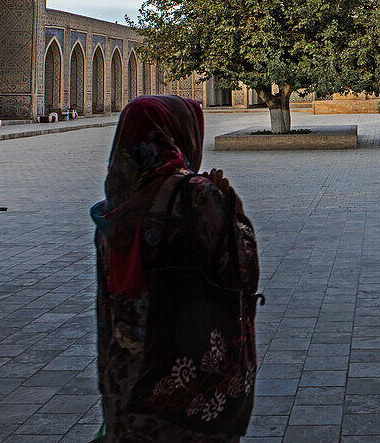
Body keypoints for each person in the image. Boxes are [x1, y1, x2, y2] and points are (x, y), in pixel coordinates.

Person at [91, 95, 260, 442]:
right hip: (183, 374)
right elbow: (241, 268)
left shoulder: (112, 211)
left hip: (128, 375)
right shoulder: (195, 196)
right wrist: (234, 211)